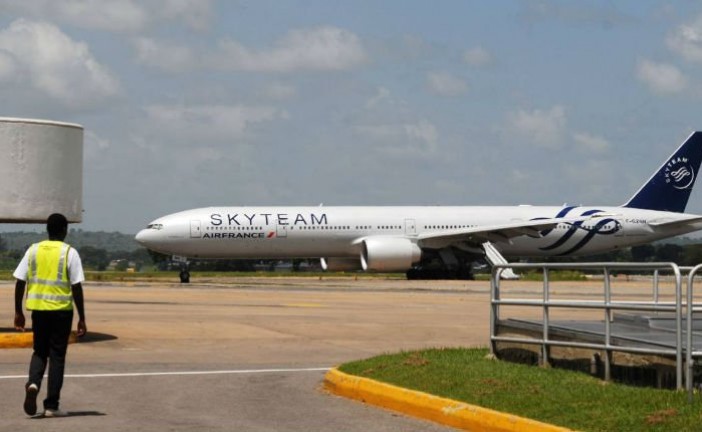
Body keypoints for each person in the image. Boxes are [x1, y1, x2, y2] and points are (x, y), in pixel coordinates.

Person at [13, 213, 87, 417]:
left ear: (47, 230)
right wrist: (82, 317)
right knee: (57, 357)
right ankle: (51, 406)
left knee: (39, 352)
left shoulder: (33, 250)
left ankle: (34, 383)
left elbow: (20, 281)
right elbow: (76, 287)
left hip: (38, 311)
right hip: (61, 312)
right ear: (65, 230)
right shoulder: (69, 252)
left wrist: (18, 311)